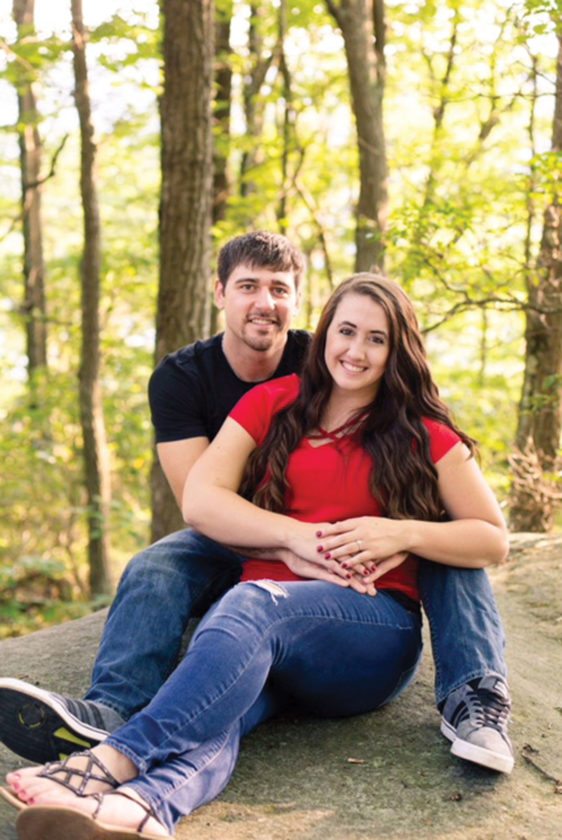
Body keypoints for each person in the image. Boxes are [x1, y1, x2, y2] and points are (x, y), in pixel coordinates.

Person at [5, 273, 510, 840]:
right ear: (324, 333)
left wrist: (402, 534)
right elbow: (202, 500)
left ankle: (109, 762)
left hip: (367, 634)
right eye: (346, 331)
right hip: (258, 636)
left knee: (252, 603)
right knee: (219, 708)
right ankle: (142, 808)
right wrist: (295, 538)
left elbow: (492, 537)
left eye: (377, 339)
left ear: (398, 351)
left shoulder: (422, 431)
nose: (356, 350)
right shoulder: (274, 401)